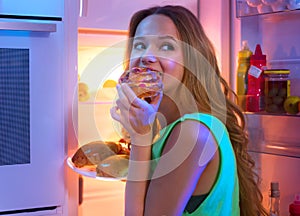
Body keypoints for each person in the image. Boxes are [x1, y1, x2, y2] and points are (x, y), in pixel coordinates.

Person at [110, 5, 267, 216]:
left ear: (192, 61)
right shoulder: (172, 129)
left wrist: (140, 137)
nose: (147, 56)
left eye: (165, 46)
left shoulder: (192, 134)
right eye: (139, 45)